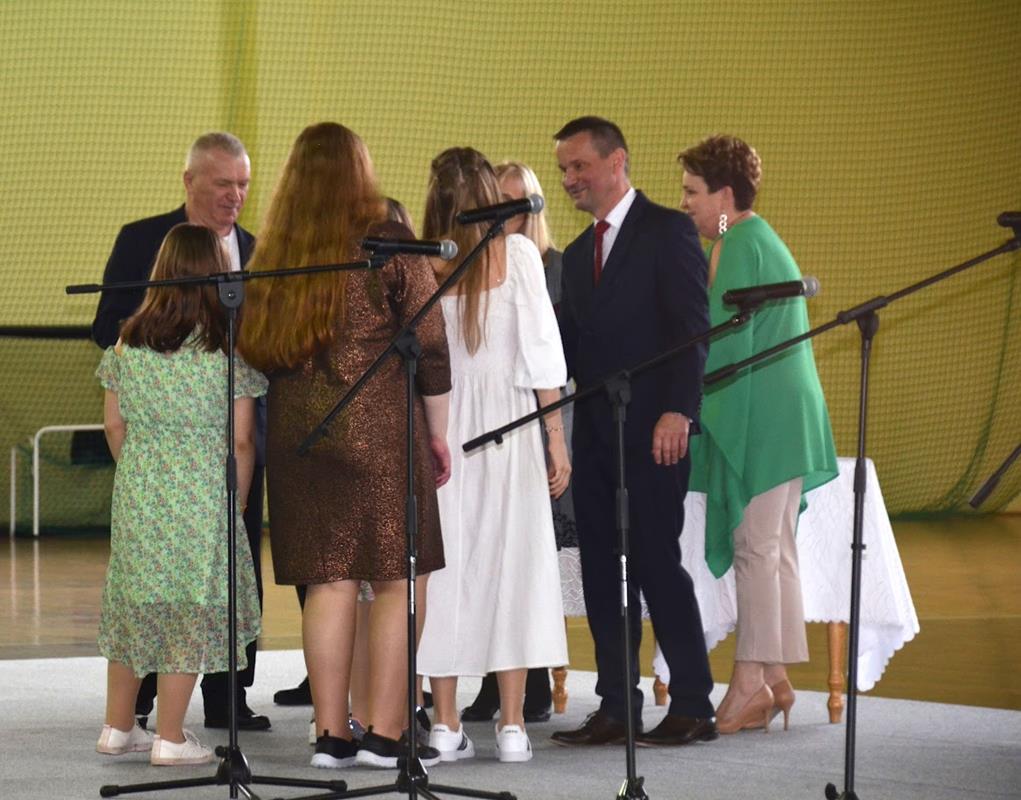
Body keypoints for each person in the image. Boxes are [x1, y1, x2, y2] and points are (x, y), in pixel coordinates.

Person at [237, 122, 452, 770]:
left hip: (299, 439)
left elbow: (253, 345)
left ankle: (331, 735)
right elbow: (430, 339)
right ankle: (386, 733)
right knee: (396, 578)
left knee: (328, 583)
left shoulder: (276, 247)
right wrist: (438, 432)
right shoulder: (385, 235)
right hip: (381, 433)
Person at [91, 132, 270, 732]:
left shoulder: (259, 249)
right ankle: (157, 719)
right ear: (190, 180)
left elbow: (114, 420)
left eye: (244, 184)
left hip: (175, 464)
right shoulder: (140, 239)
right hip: (202, 462)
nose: (235, 195)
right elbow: (106, 321)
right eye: (224, 183)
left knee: (196, 583)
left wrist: (137, 458)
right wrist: (172, 342)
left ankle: (225, 699)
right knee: (189, 592)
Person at [550, 116, 717, 748]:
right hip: (596, 433)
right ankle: (617, 705)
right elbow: (571, 348)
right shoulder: (577, 254)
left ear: (616, 161)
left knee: (655, 562)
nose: (570, 179)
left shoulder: (667, 230)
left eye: (579, 166)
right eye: (564, 170)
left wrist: (679, 410)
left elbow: (692, 328)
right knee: (599, 569)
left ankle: (693, 704)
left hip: (655, 432)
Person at [678, 134, 838, 733]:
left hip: (767, 417)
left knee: (756, 548)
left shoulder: (735, 242)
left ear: (724, 196)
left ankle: (749, 683)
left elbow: (721, 345)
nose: (685, 203)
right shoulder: (754, 236)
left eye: (693, 192)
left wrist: (679, 395)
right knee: (773, 549)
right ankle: (774, 676)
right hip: (785, 415)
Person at [415, 147, 570, 764]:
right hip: (510, 429)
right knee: (514, 566)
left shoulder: (425, 263)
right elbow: (543, 358)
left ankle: (446, 723)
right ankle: (511, 725)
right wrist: (555, 438)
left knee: (445, 569)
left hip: (444, 431)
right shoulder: (522, 256)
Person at [459, 160, 573, 726]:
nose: (505, 213)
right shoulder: (463, 261)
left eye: (515, 202)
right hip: (473, 425)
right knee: (478, 554)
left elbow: (549, 357)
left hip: (527, 417)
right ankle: (489, 690)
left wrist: (555, 437)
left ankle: (529, 692)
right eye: (495, 201)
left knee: (520, 557)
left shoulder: (545, 262)